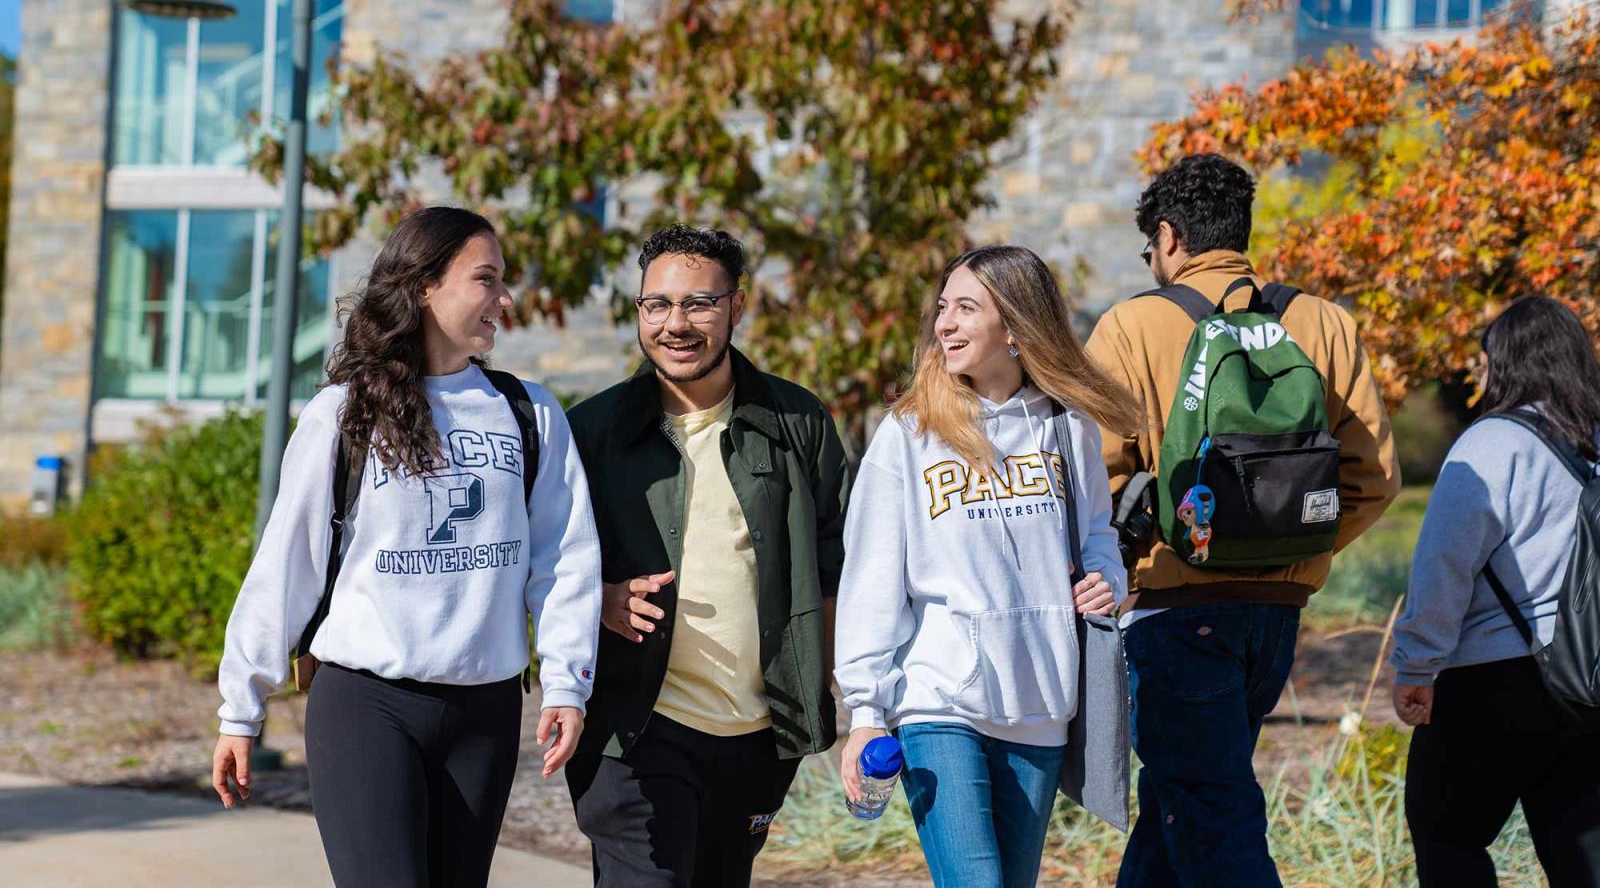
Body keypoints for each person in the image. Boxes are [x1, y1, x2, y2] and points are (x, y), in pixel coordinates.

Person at [211, 206, 602, 887]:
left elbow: (565, 558)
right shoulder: (345, 411)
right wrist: (240, 707)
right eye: (486, 279)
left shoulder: (529, 413)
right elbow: (287, 564)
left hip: (486, 710)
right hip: (367, 704)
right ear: (425, 286)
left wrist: (568, 681)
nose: (504, 300)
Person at [1086, 153, 1400, 886]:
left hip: (1173, 611)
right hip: (1278, 614)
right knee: (1184, 801)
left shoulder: (1131, 327)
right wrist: (1295, 550)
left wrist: (1135, 565)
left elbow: (1094, 478)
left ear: (1168, 237)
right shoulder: (1322, 322)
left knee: (1209, 812)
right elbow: (1374, 478)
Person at [834, 245, 1140, 887]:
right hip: (939, 700)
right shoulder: (909, 433)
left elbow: (1097, 536)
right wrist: (865, 712)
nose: (944, 323)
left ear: (1017, 326)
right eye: (943, 308)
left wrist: (1106, 581)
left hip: (1042, 701)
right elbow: (870, 582)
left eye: (965, 308)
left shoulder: (1068, 427)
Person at [562, 224, 850, 887]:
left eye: (700, 303)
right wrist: (599, 599)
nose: (676, 324)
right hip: (633, 731)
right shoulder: (590, 432)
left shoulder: (798, 424)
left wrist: (826, 690)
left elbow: (835, 569)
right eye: (656, 305)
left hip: (755, 734)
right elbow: (541, 565)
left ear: (737, 308)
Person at [1390, 295, 1600, 886]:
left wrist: (1417, 666)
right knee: (1580, 846)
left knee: (1446, 834)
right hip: (1589, 680)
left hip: (1493, 678)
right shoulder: (1595, 441)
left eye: (1484, 364)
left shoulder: (1492, 446)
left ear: (1506, 363)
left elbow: (1443, 567)